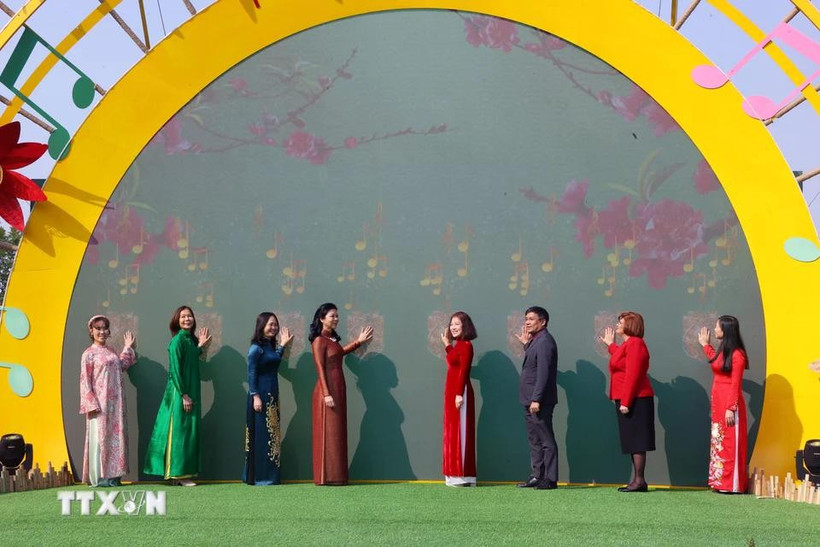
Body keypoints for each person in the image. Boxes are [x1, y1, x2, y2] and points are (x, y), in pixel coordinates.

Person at [144, 306, 211, 486]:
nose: (187, 319)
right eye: (183, 316)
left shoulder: (189, 341)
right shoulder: (177, 342)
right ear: (177, 320)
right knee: (180, 432)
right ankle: (178, 474)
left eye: (190, 316)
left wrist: (201, 347)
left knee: (188, 431)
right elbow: (174, 370)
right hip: (180, 393)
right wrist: (184, 395)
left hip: (190, 391)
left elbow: (191, 358)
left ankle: (180, 475)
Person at [309, 302, 373, 486]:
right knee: (328, 433)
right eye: (332, 316)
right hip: (326, 392)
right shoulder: (319, 341)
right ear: (322, 319)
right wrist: (326, 394)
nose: (336, 319)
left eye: (337, 316)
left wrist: (358, 342)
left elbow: (339, 353)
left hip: (338, 388)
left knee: (337, 432)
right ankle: (325, 477)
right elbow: (320, 367)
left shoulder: (332, 341)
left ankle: (337, 476)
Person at [600, 311, 655, 492]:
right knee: (632, 440)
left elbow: (634, 374)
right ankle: (638, 480)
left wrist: (626, 401)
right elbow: (622, 360)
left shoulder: (636, 343)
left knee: (637, 440)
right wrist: (610, 345)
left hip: (635, 399)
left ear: (630, 325)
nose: (617, 325)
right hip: (629, 398)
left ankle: (639, 481)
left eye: (621, 322)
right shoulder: (629, 344)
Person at [79, 315, 137, 487]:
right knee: (100, 437)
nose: (102, 332)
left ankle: (114, 476)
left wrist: (127, 348)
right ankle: (100, 477)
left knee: (116, 438)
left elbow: (121, 365)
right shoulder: (88, 354)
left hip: (117, 403)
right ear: (91, 330)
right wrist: (91, 404)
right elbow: (84, 381)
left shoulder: (111, 351)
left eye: (104, 328)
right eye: (98, 328)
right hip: (100, 405)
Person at [697, 315, 749, 494]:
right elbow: (716, 362)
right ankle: (721, 482)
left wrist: (731, 408)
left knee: (730, 442)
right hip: (718, 403)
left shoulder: (737, 355)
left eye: (718, 327)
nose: (715, 329)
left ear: (725, 330)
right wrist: (705, 345)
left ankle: (732, 484)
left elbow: (736, 383)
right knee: (719, 441)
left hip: (729, 404)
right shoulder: (723, 352)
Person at [243, 312, 293, 485]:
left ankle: (271, 476)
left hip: (272, 395)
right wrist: (255, 396)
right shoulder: (256, 348)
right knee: (262, 436)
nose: (273, 328)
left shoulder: (270, 346)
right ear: (261, 326)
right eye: (270, 324)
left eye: (275, 325)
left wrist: (283, 346)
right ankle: (260, 477)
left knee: (272, 435)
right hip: (260, 397)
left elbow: (274, 361)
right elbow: (251, 373)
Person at [514, 306, 559, 490]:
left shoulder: (545, 341)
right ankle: (537, 475)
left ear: (543, 321)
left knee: (546, 440)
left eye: (531, 319)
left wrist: (537, 399)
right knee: (534, 440)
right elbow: (534, 362)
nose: (527, 322)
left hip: (538, 401)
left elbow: (543, 372)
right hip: (529, 399)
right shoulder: (536, 341)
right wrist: (526, 345)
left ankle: (550, 478)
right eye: (526, 318)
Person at [440, 311, 477, 487]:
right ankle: (453, 474)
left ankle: (462, 475)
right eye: (451, 324)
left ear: (465, 326)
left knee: (460, 433)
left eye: (457, 324)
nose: (453, 327)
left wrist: (459, 394)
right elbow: (453, 361)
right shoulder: (458, 346)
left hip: (459, 395)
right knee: (452, 433)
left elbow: (463, 371)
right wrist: (447, 344)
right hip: (452, 394)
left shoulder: (466, 346)